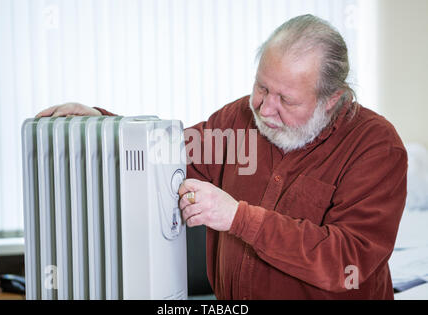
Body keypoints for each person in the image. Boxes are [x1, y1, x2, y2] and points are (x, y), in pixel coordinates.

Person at [36, 14, 407, 299]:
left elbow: (347, 261)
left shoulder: (376, 147)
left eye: (287, 100)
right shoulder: (238, 118)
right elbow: (164, 155)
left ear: (333, 99)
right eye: (261, 86)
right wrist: (102, 123)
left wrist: (238, 217)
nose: (265, 108)